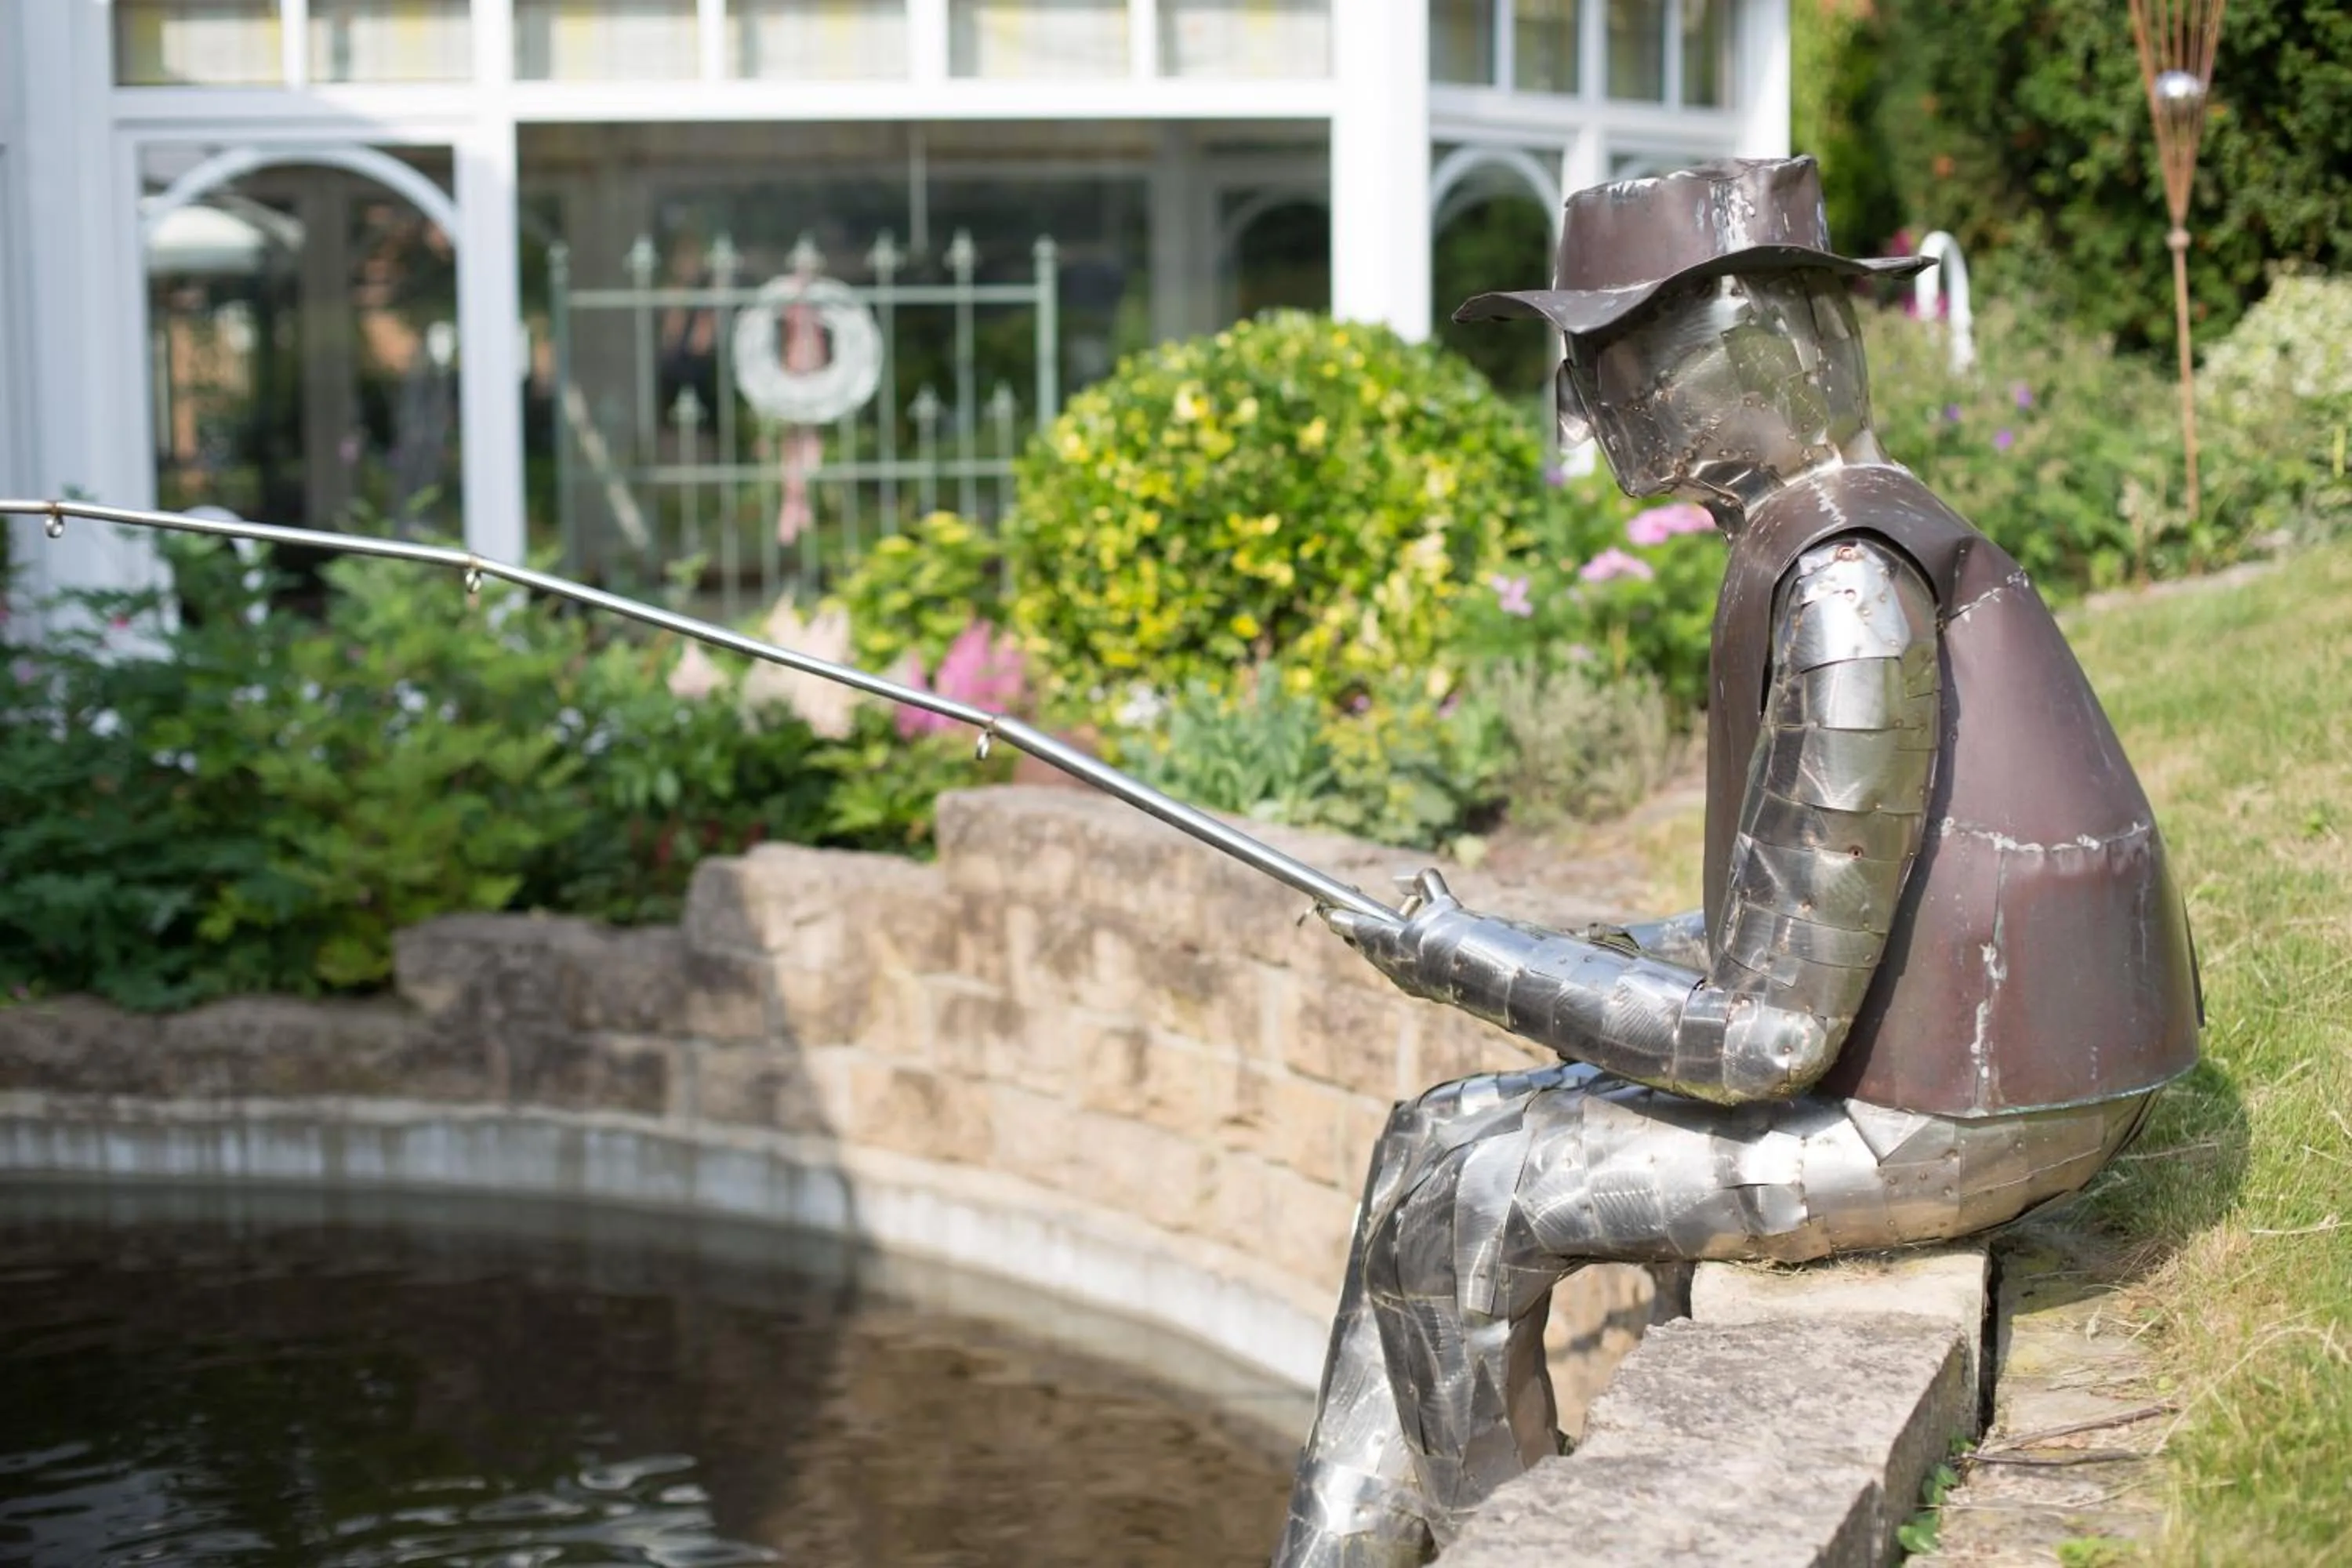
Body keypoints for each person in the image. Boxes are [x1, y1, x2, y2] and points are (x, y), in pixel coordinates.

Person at [1272, 157, 2201, 1568]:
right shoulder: (1841, 541)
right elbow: (1780, 936)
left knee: (1468, 1191)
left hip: (1962, 1112)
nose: (1582, 410)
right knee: (1430, 1138)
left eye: (1604, 360)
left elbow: (1763, 1034)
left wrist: (1466, 964)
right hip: (1955, 1066)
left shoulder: (1846, 593)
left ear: (1725, 345)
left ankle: (1501, 1544)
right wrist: (1535, 943)